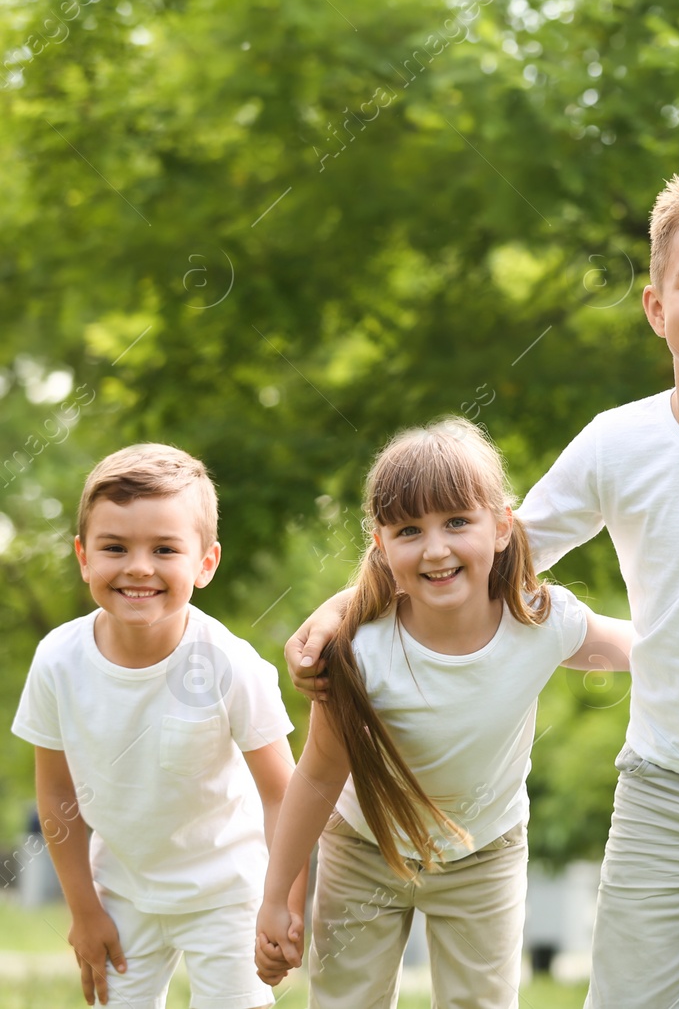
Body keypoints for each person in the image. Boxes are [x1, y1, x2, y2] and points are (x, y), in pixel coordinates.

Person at [286, 170, 679, 1008]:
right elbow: (492, 552)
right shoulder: (620, 444)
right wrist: (335, 611)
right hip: (660, 787)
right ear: (656, 306)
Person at [253, 417, 632, 1008]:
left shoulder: (541, 621)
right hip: (364, 847)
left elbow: (647, 649)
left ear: (502, 526)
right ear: (380, 546)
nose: (436, 549)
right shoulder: (359, 649)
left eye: (457, 522)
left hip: (485, 852)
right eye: (409, 530)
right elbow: (319, 775)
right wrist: (278, 897)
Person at [11, 444, 299, 1009]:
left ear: (206, 562)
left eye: (165, 548)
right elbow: (56, 791)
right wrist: (84, 909)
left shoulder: (229, 663)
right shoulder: (57, 659)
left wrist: (281, 903)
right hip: (121, 892)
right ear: (84, 557)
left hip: (228, 893)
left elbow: (282, 794)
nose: (138, 566)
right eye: (115, 547)